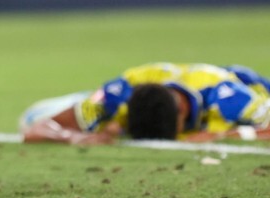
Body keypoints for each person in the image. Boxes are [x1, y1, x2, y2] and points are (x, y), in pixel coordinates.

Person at [21, 62, 270, 145]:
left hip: (251, 84)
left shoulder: (229, 97)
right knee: (29, 116)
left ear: (182, 111)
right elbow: (36, 129)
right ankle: (85, 101)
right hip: (102, 97)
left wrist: (228, 135)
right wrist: (75, 138)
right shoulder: (118, 95)